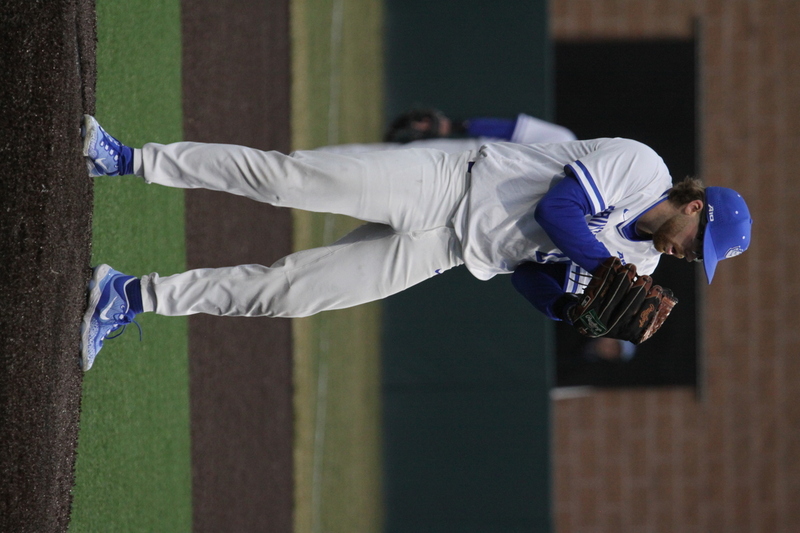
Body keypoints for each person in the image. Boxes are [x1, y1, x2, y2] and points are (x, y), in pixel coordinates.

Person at [78, 114, 753, 371]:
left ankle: (127, 293)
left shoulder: (638, 261)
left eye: (704, 258)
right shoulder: (640, 167)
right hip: (442, 182)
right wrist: (599, 266)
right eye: (703, 240)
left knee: (291, 294)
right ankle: (125, 158)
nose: (696, 255)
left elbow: (529, 275)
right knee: (288, 178)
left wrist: (568, 311)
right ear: (695, 205)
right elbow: (560, 209)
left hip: (450, 252)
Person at [317, 108, 577, 156]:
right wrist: (454, 127)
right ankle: (311, 161)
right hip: (469, 156)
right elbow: (511, 130)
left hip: (473, 176)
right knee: (388, 157)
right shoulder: (565, 141)